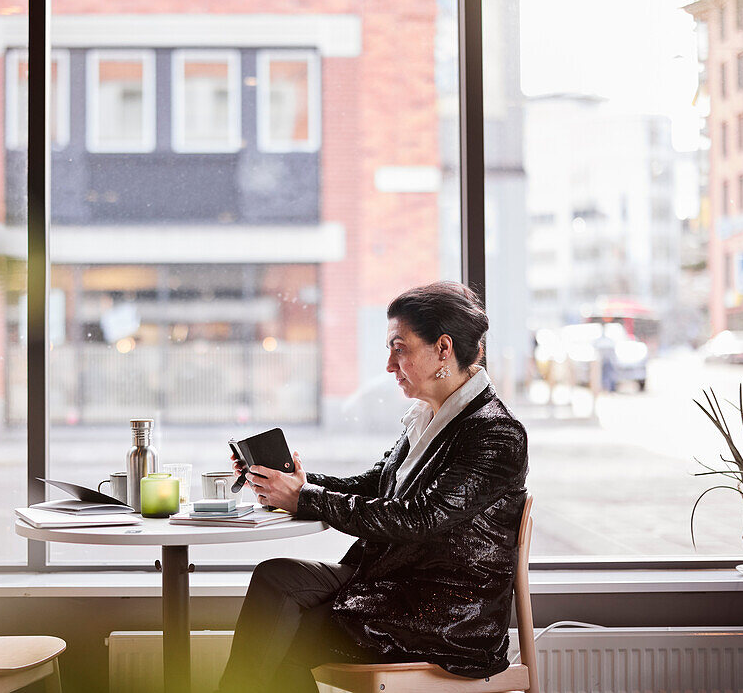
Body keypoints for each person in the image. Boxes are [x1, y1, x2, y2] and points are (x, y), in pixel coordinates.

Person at [215, 282, 529, 693]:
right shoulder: (428, 417)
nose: (388, 364)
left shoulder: (495, 434)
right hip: (395, 581)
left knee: (281, 632)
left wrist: (306, 498)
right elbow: (376, 485)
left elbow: (419, 517)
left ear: (443, 349)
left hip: (447, 617)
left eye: (399, 348)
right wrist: (297, 482)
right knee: (275, 578)